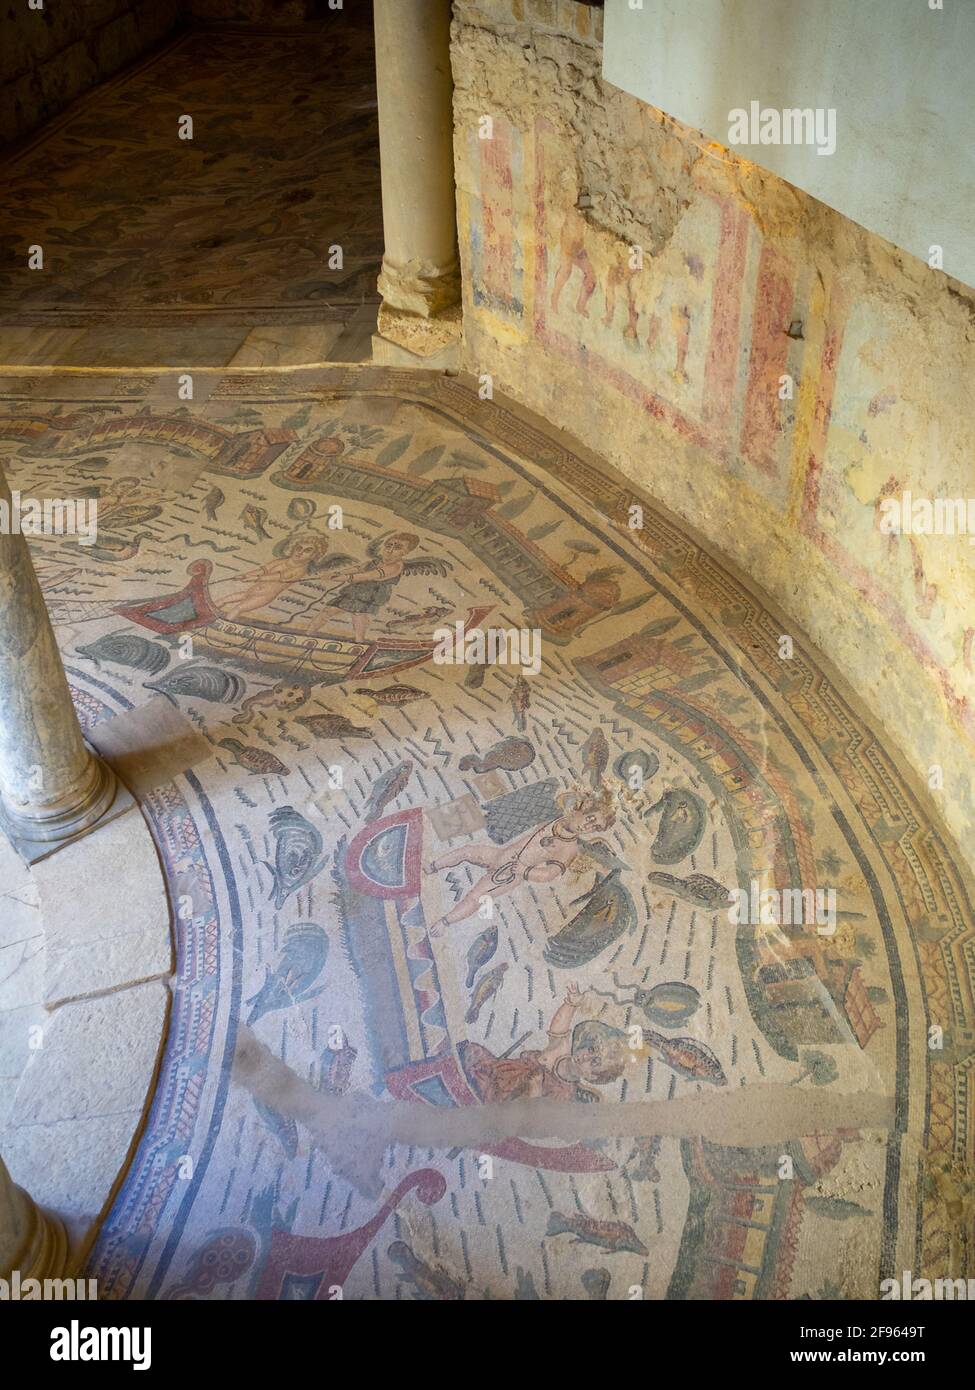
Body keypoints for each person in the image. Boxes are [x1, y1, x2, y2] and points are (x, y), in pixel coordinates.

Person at [458, 984, 628, 1103]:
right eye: (591, 1049)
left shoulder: (563, 1093)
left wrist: (535, 1088)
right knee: (474, 1052)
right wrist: (571, 1004)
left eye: (594, 1062)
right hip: (504, 1069)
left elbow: (534, 1114)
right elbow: (558, 1030)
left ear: (592, 1077)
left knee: (487, 1090)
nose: (585, 1056)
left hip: (513, 1096)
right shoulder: (561, 1050)